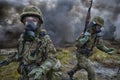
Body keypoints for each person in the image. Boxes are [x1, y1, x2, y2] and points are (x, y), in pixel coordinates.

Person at [0, 5, 62, 80]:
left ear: (39, 23)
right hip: (25, 74)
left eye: (34, 20)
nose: (30, 23)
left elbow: (52, 58)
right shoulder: (22, 38)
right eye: (27, 20)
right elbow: (20, 54)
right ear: (24, 22)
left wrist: (41, 69)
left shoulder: (44, 39)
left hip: (38, 75)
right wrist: (7, 60)